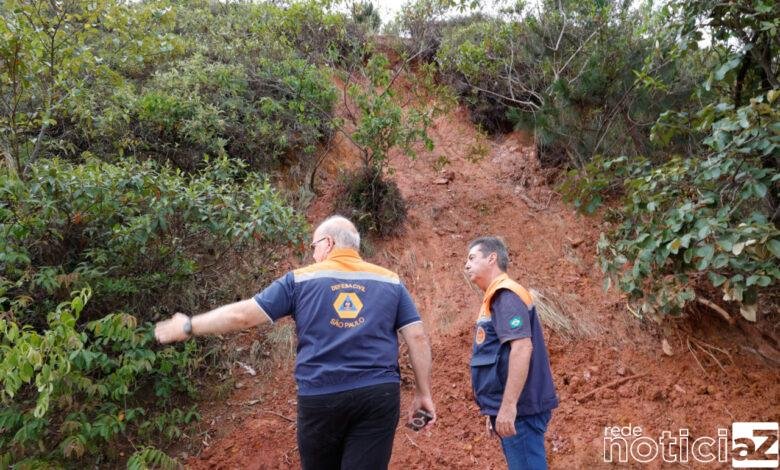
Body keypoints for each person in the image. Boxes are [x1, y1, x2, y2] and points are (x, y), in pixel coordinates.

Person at [155, 215, 436, 470]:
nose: (313, 254)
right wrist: (423, 393)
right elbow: (417, 337)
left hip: (321, 396)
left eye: (314, 246)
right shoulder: (390, 281)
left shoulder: (299, 280)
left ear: (328, 243)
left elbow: (242, 316)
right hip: (377, 395)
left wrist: (189, 325)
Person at [464, 236, 558, 470]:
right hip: (516, 410)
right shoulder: (496, 297)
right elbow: (500, 356)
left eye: (472, 258)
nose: (466, 265)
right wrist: (496, 409)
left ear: (492, 258)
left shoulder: (505, 295)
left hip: (521, 411)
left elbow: (522, 348)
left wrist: (508, 407)